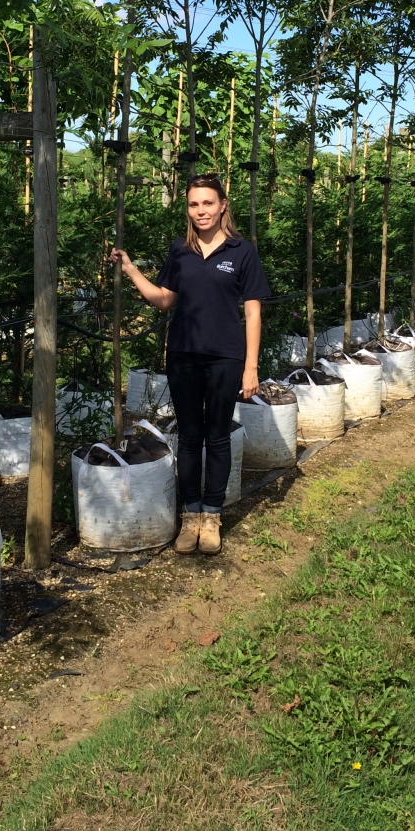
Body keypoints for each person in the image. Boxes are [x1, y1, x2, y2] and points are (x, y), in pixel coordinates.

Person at [110, 173, 270, 556]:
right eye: (194, 204)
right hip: (183, 355)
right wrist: (131, 270)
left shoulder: (242, 251)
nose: (201, 211)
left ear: (222, 206)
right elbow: (164, 300)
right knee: (189, 436)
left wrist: (251, 366)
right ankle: (190, 516)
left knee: (217, 436)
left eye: (208, 203)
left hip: (225, 358)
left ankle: (212, 515)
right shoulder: (179, 251)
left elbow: (253, 312)